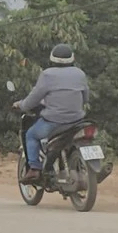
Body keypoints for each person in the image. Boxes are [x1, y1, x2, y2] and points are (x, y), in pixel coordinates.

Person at [15, 43, 89, 182]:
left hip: (55, 122)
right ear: (72, 58)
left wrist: (22, 105)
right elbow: (85, 98)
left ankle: (34, 169)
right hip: (78, 120)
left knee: (31, 135)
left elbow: (34, 98)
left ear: (52, 59)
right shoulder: (80, 74)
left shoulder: (47, 75)